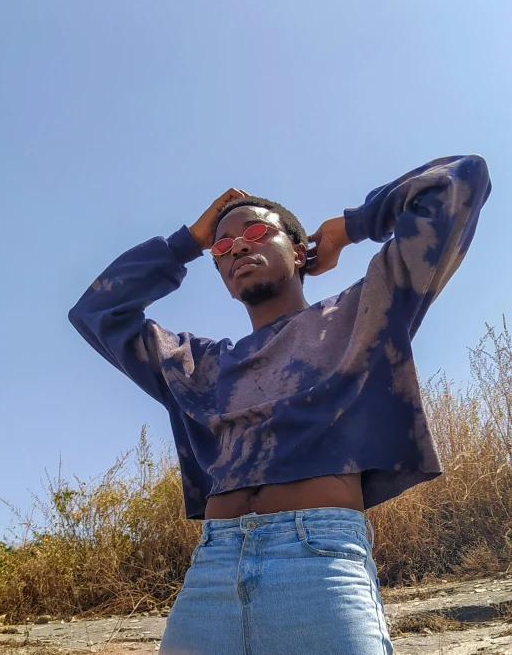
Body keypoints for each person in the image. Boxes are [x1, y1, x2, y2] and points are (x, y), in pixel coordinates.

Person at [69, 154, 491, 655]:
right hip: (210, 576)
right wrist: (188, 242)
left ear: (298, 251)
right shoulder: (200, 367)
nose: (236, 247)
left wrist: (351, 228)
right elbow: (97, 311)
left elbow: (461, 180)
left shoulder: (362, 315)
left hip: (319, 568)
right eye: (223, 246)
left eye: (255, 232)